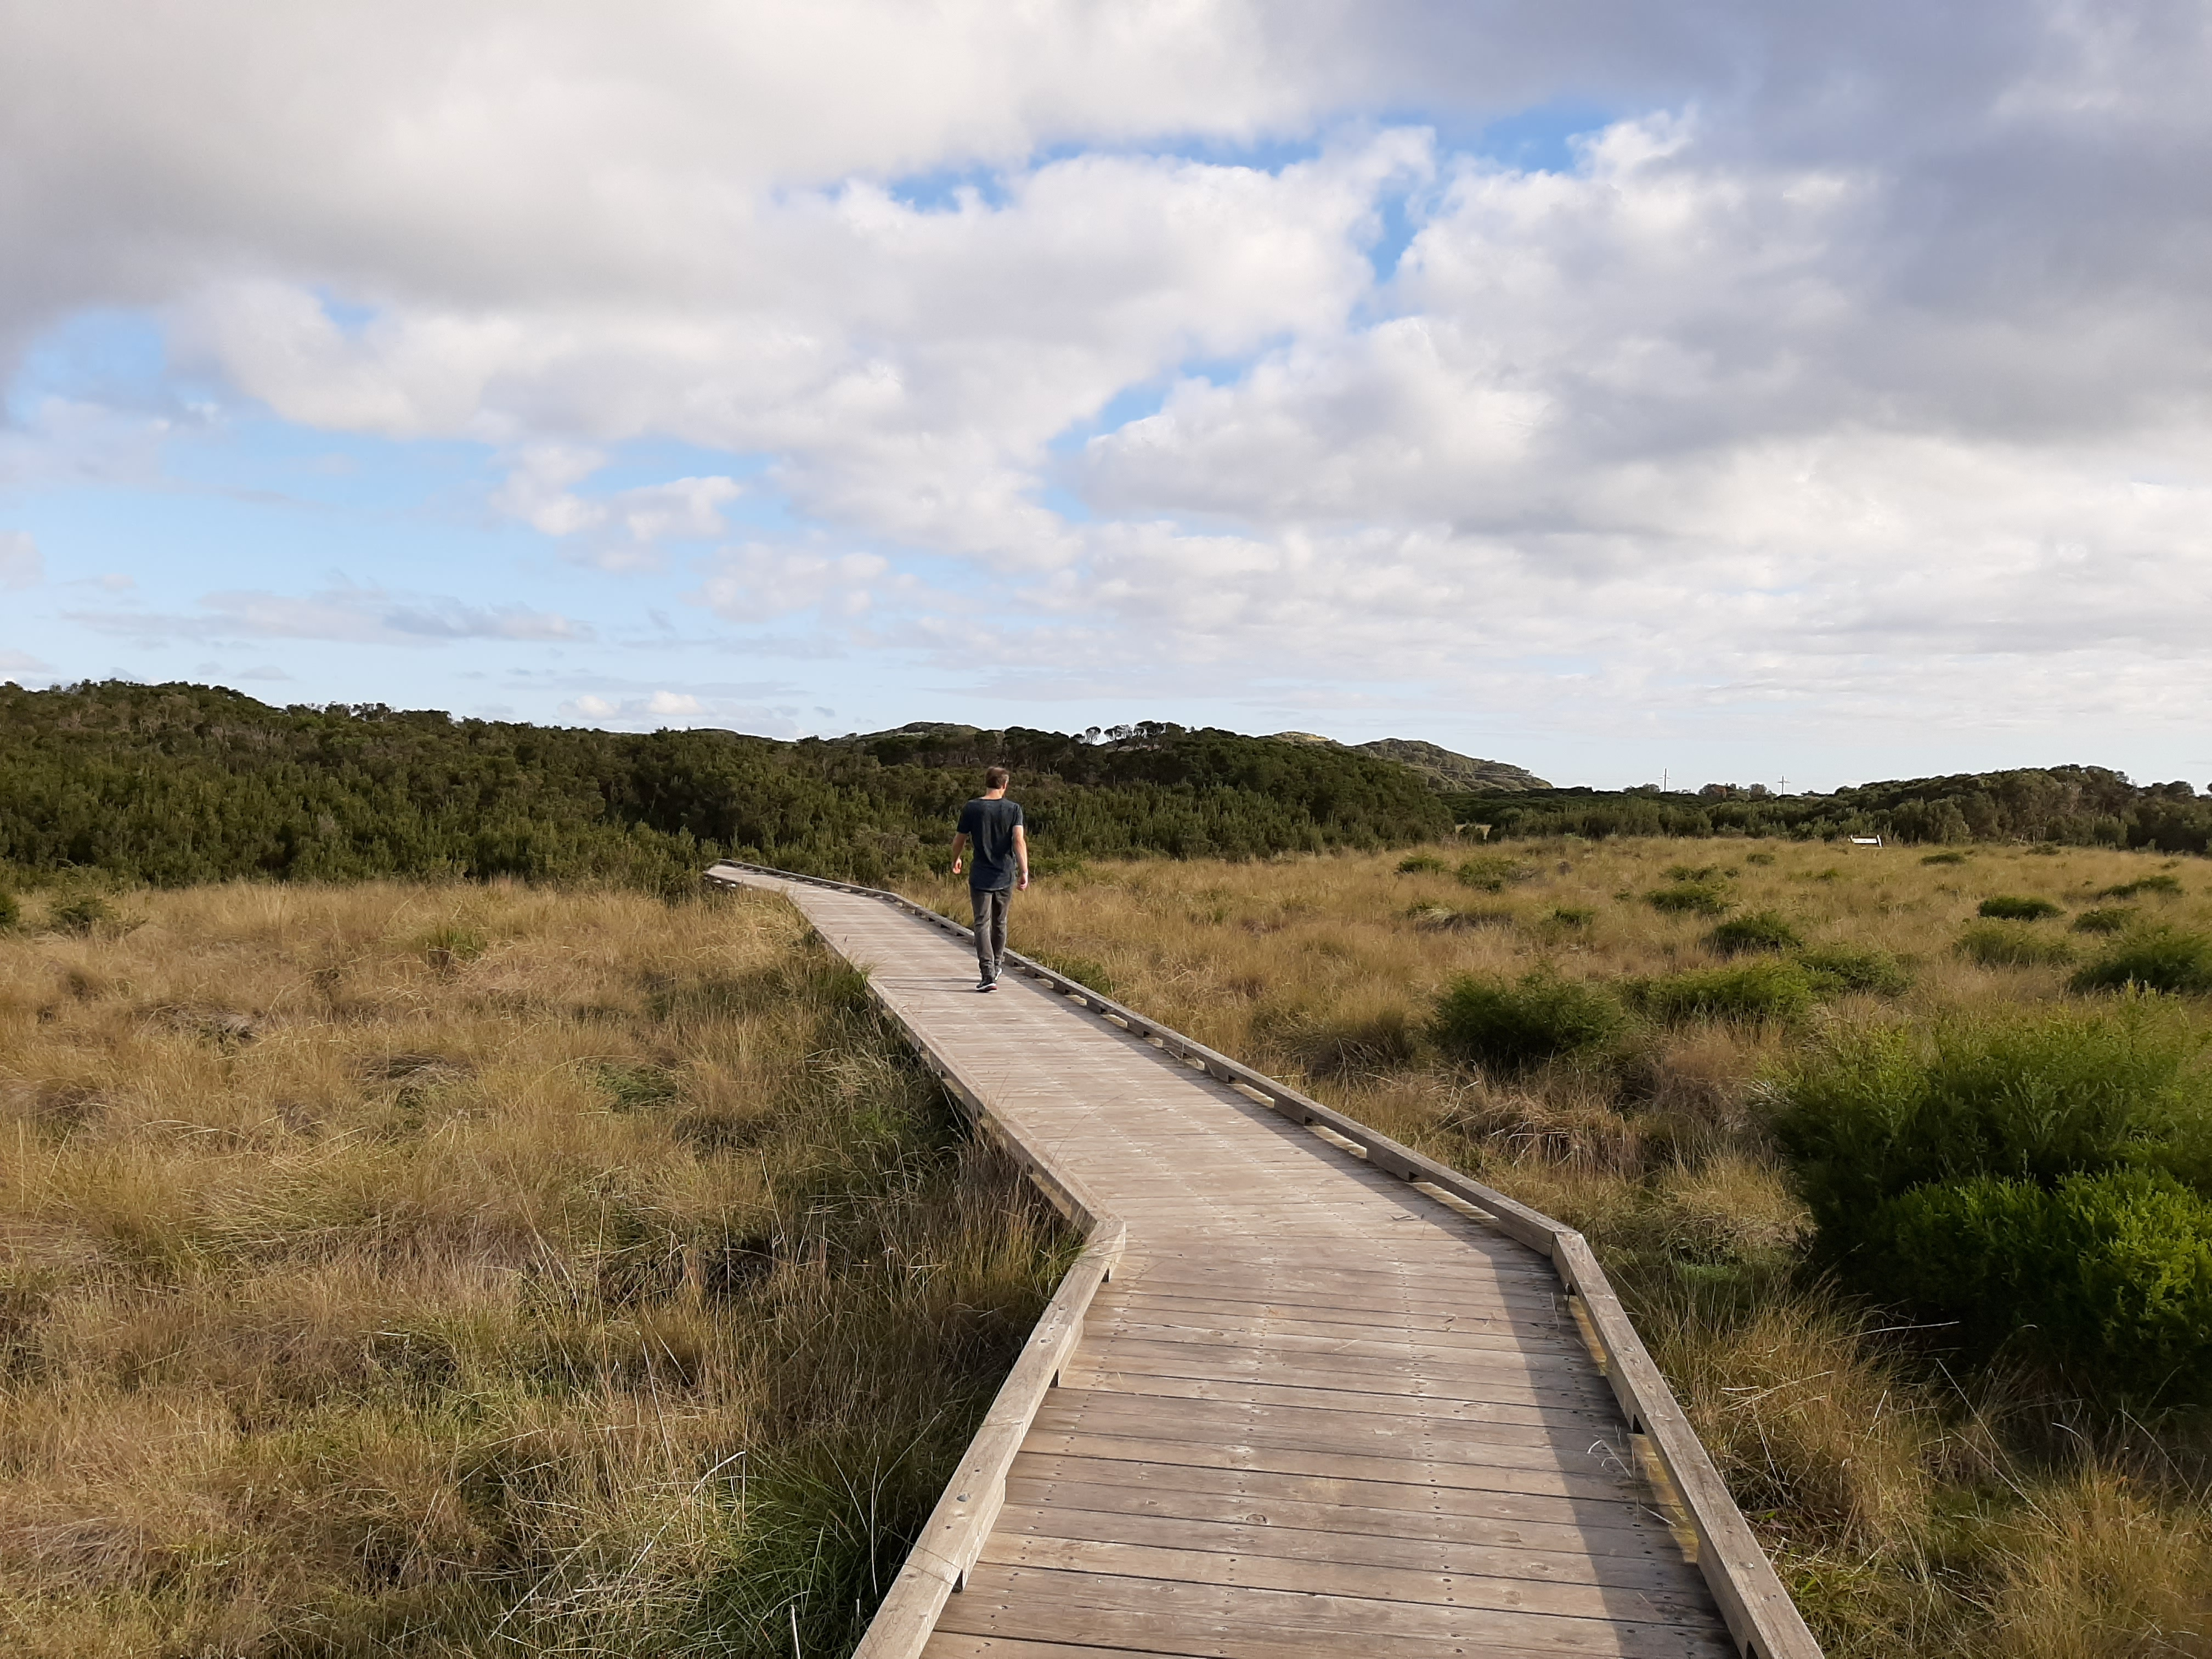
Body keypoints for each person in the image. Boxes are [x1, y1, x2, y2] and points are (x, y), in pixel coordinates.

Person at [950, 765, 1028, 991]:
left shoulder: (973, 807)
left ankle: (988, 974)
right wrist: (1024, 871)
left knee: (981, 923)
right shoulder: (1014, 809)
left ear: (986, 782)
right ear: (1005, 784)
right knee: (1000, 922)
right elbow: (1018, 841)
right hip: (1005, 873)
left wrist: (956, 859)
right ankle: (997, 965)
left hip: (980, 874)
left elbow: (960, 839)